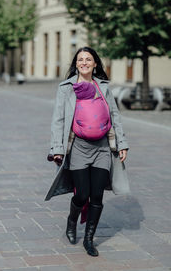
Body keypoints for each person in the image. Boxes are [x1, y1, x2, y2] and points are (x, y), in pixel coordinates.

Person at [45, 46, 129, 257]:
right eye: (80, 59)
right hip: (79, 147)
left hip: (102, 147)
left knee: (97, 195)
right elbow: (59, 120)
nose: (84, 62)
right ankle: (72, 221)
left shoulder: (104, 87)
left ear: (95, 64)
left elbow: (115, 116)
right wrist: (57, 149)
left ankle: (89, 239)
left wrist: (122, 143)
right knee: (82, 193)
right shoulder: (66, 88)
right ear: (76, 64)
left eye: (88, 59)